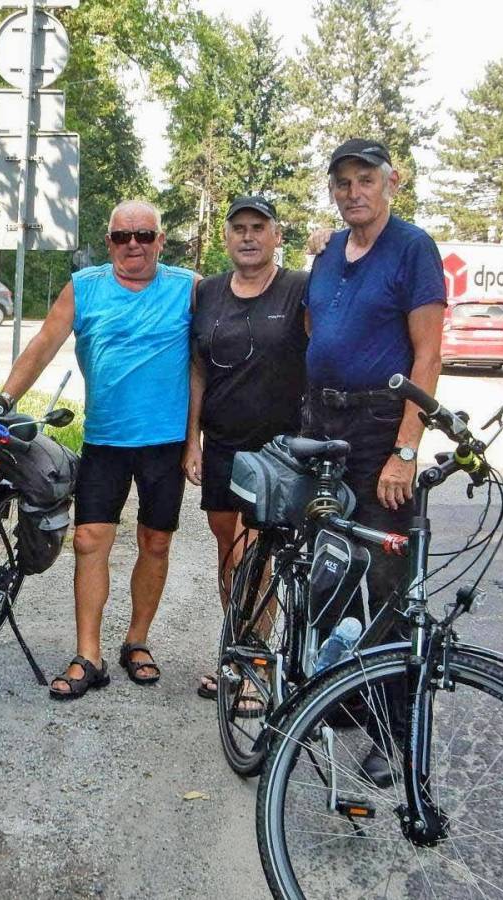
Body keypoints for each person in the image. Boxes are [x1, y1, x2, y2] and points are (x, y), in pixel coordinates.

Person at [0, 200, 196, 700]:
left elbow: (235, 324)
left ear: (160, 241)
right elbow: (42, 345)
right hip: (105, 439)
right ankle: (89, 654)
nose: (134, 244)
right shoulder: (84, 288)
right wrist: (3, 400)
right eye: (123, 236)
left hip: (166, 443)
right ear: (108, 243)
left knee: (156, 542)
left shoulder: (189, 288)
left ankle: (137, 641)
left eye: (144, 235)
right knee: (88, 540)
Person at [304, 138, 446, 786]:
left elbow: (428, 357)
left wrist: (404, 451)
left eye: (366, 179)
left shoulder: (412, 248)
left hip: (379, 428)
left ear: (392, 182)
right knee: (329, 570)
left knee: (389, 584)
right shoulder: (330, 250)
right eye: (343, 182)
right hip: (322, 424)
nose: (354, 191)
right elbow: (317, 330)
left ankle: (396, 734)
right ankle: (344, 701)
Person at [181, 196, 308, 706]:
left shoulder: (299, 288)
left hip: (276, 449)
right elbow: (197, 369)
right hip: (222, 444)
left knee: (257, 554)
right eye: (239, 228)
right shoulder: (207, 292)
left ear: (276, 235)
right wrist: (192, 439)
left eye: (259, 227)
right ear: (226, 237)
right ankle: (236, 652)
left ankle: (255, 666)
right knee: (228, 552)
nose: (249, 236)